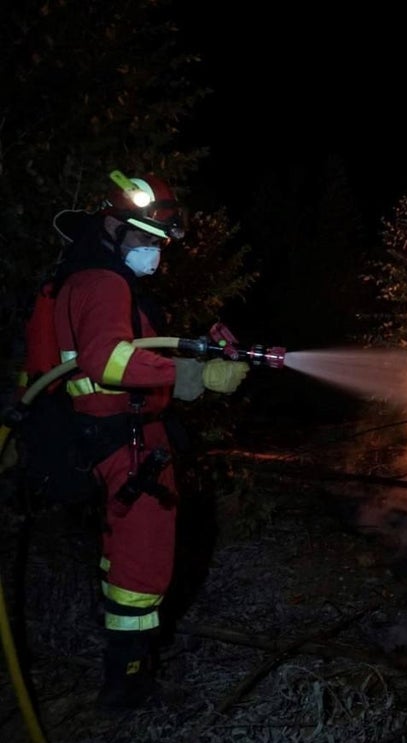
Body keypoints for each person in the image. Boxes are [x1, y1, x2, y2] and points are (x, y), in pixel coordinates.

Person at [47, 171, 250, 709]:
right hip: (126, 446)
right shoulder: (103, 282)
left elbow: (130, 358)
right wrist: (192, 376)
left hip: (118, 437)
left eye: (161, 243)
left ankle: (126, 665)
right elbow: (108, 361)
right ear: (112, 226)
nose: (156, 254)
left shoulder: (87, 278)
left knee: (125, 567)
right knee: (142, 567)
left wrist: (194, 364)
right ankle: (130, 686)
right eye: (146, 239)